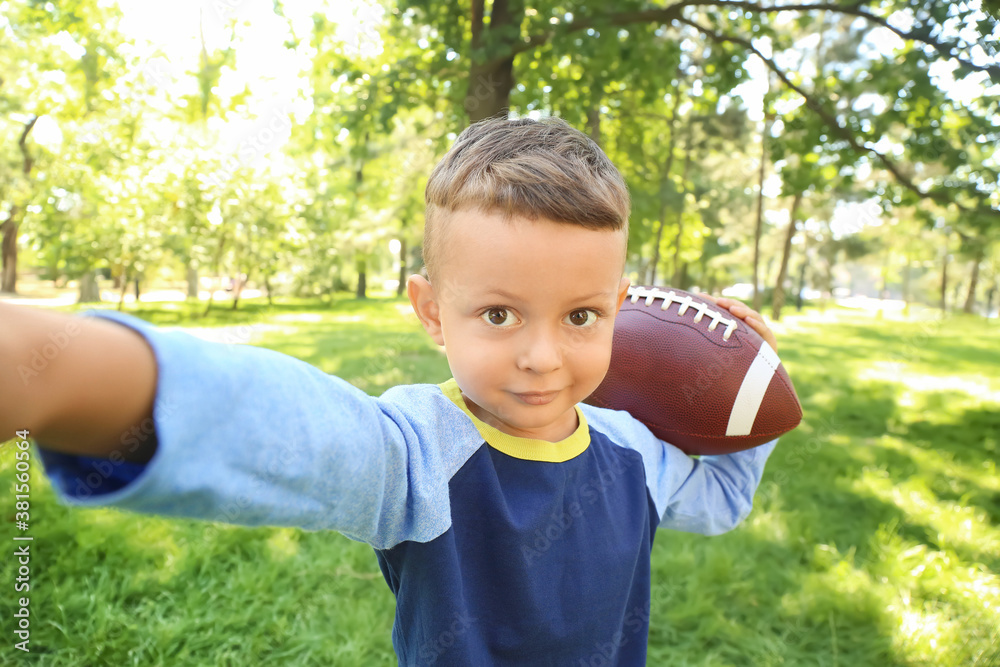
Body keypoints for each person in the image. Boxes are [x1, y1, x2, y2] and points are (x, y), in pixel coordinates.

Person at [1, 116, 779, 666]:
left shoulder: (631, 451)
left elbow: (720, 498)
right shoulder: (414, 455)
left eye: (582, 314)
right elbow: (283, 427)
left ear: (621, 303)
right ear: (433, 311)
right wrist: (56, 369)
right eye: (499, 313)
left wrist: (754, 386)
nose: (543, 356)